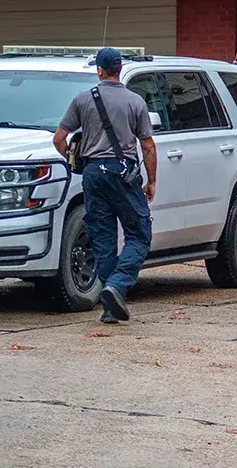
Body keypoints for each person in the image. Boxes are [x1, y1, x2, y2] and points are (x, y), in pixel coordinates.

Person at [53, 47, 157, 324]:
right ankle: (118, 285)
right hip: (122, 174)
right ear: (120, 69)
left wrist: (74, 160)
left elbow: (59, 138)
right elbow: (147, 144)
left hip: (92, 174)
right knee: (139, 234)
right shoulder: (135, 101)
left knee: (103, 240)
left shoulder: (82, 100)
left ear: (99, 70)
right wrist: (152, 181)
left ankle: (110, 308)